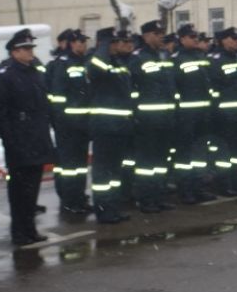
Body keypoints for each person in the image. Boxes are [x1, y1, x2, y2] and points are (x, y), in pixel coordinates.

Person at [0, 28, 55, 246]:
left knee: (32, 189)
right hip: (19, 140)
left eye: (31, 48)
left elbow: (42, 105)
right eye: (25, 48)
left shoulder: (34, 72)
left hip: (36, 137)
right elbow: (0, 111)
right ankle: (19, 232)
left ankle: (29, 229)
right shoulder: (7, 74)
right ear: (14, 52)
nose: (30, 52)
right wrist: (10, 139)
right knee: (19, 191)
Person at [87, 28, 136, 224]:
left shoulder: (118, 63)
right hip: (105, 127)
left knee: (115, 172)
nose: (118, 45)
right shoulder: (96, 61)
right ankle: (103, 208)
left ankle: (113, 206)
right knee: (102, 172)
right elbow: (96, 68)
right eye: (113, 42)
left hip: (120, 127)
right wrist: (104, 47)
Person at [46, 30, 92, 218]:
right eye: (80, 41)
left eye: (84, 41)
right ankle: (69, 201)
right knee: (69, 168)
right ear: (72, 43)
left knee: (80, 166)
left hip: (83, 125)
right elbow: (57, 97)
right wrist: (62, 122)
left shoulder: (83, 63)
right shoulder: (62, 64)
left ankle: (79, 199)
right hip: (68, 127)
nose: (83, 45)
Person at [131, 21, 176, 213]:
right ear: (146, 36)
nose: (160, 37)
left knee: (160, 162)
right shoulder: (138, 58)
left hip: (165, 119)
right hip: (147, 121)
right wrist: (137, 115)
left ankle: (158, 196)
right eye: (157, 34)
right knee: (146, 164)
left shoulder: (163, 55)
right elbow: (132, 89)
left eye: (161, 33)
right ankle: (146, 199)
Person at [172, 24, 216, 204]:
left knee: (200, 154)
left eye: (196, 36)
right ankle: (186, 190)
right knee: (185, 156)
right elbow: (174, 88)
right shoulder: (177, 59)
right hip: (186, 116)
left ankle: (199, 188)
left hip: (203, 114)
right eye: (191, 37)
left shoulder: (200, 56)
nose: (195, 39)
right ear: (182, 39)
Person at [210, 28, 237, 196]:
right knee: (224, 153)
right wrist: (218, 111)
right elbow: (214, 89)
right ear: (224, 40)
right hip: (224, 116)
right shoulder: (216, 60)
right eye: (233, 38)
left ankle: (235, 182)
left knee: (236, 152)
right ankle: (224, 184)